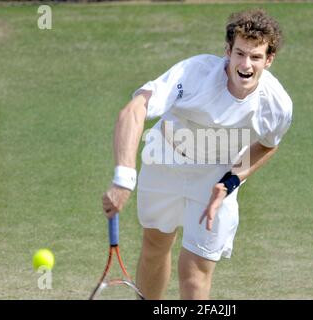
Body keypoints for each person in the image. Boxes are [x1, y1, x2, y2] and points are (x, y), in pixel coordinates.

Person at [102, 8, 293, 300]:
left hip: (215, 175)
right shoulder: (194, 73)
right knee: (155, 245)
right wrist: (123, 178)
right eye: (240, 53)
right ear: (227, 51)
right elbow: (135, 109)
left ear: (269, 60)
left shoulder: (277, 105)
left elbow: (268, 145)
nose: (246, 64)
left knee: (195, 270)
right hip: (165, 161)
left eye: (255, 57)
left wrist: (231, 181)